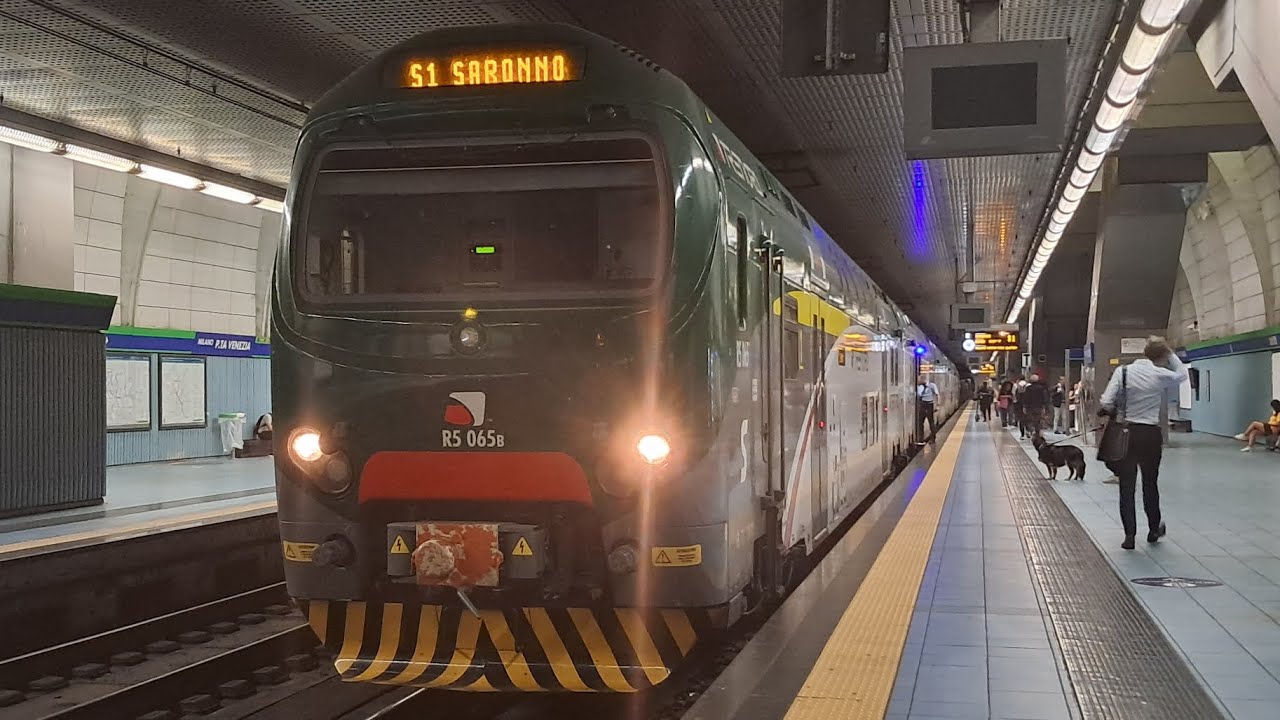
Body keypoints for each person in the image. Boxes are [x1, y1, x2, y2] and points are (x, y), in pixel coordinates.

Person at [1098, 337, 1187, 550]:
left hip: (1127, 433)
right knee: (1150, 482)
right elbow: (1183, 375)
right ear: (1163, 357)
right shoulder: (1161, 374)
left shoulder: (1123, 372)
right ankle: (1154, 529)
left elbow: (1107, 401)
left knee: (1126, 486)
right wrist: (1170, 351)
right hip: (1150, 434)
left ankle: (1129, 536)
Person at [1021, 374, 1051, 438]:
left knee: (1030, 420)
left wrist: (1024, 406)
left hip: (1030, 407)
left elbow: (1026, 398)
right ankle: (1037, 432)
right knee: (1038, 420)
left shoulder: (1028, 388)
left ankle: (1032, 431)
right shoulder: (1041, 388)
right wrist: (1044, 407)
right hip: (1039, 407)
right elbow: (1044, 398)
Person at [917, 374, 940, 442]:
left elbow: (937, 394)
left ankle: (933, 437)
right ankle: (921, 438)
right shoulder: (919, 387)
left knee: (931, 422)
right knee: (920, 422)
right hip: (922, 405)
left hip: (929, 404)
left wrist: (938, 405)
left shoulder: (932, 386)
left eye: (920, 379)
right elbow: (918, 395)